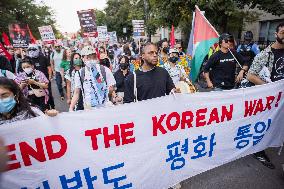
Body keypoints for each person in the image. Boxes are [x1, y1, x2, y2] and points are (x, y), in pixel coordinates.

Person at [247, 22, 284, 169]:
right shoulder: (264, 54)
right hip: (270, 98)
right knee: (265, 124)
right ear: (276, 35)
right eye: (283, 33)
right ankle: (259, 150)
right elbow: (251, 75)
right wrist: (270, 88)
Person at [69, 46, 116, 111]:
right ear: (82, 58)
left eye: (93, 57)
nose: (91, 60)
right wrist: (71, 107)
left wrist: (103, 91)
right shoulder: (80, 74)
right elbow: (76, 93)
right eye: (88, 57)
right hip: (89, 109)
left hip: (105, 107)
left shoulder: (104, 70)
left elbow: (111, 87)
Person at [27, 44, 55, 109]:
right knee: (38, 95)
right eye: (30, 50)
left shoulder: (44, 58)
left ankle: (52, 106)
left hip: (45, 80)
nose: (32, 51)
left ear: (37, 50)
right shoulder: (28, 59)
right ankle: (43, 108)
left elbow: (49, 67)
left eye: (33, 49)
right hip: (34, 81)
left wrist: (50, 77)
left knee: (48, 94)